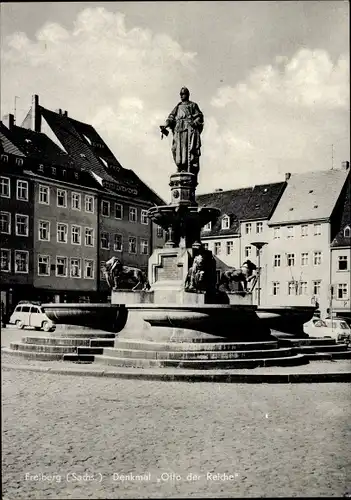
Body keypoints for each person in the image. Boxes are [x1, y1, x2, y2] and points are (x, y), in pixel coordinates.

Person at [160, 87, 204, 179]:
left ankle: (184, 168)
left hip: (188, 132)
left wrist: (194, 123)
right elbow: (171, 118)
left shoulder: (193, 105)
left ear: (187, 95)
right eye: (180, 94)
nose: (181, 96)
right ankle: (180, 166)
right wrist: (166, 125)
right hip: (178, 130)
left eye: (183, 94)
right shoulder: (178, 106)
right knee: (175, 149)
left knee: (186, 150)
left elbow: (200, 116)